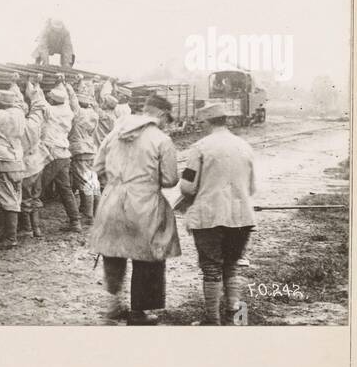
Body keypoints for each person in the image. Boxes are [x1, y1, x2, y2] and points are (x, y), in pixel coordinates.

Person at [89, 94, 181, 325]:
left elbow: (97, 165)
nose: (167, 123)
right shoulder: (161, 139)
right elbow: (170, 179)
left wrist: (116, 180)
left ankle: (113, 306)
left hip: (111, 199)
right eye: (167, 119)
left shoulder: (115, 132)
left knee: (113, 251)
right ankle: (139, 313)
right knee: (148, 256)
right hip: (144, 203)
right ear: (160, 114)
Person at [178, 102, 258, 324]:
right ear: (226, 120)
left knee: (211, 266)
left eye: (201, 122)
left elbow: (187, 187)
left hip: (209, 216)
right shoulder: (245, 146)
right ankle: (233, 311)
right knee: (232, 264)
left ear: (206, 122)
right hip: (242, 216)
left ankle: (212, 319)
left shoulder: (200, 148)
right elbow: (251, 188)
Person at [0, 73, 38, 248]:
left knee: (7, 199)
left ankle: (11, 238)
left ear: (1, 103)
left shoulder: (0, 116)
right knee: (15, 197)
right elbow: (17, 100)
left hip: (3, 162)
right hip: (17, 161)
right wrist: (14, 84)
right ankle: (14, 232)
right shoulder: (19, 113)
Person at [39, 79, 81, 232]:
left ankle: (30, 227)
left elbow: (39, 100)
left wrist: (36, 84)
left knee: (36, 188)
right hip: (64, 154)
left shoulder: (50, 111)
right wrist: (63, 83)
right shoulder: (68, 111)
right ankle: (75, 221)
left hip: (52, 154)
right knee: (66, 189)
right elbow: (70, 100)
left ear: (52, 100)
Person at [19, 79, 49, 238]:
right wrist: (34, 85)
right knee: (36, 197)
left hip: (25, 166)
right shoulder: (34, 121)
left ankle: (28, 228)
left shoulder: (17, 126)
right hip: (38, 164)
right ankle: (37, 229)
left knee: (25, 197)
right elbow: (39, 104)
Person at [69, 88, 100, 224]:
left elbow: (73, 101)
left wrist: (68, 87)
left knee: (84, 182)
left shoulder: (78, 112)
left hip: (79, 149)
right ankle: (96, 213)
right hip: (91, 149)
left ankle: (89, 216)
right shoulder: (94, 114)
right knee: (93, 181)